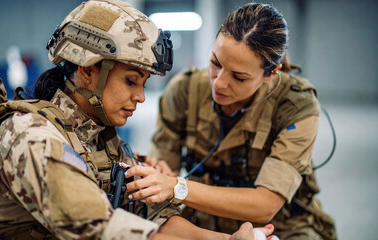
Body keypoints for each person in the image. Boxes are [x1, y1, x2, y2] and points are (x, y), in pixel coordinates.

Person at [0, 1, 277, 240]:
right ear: (87, 71)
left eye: (143, 84)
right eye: (130, 81)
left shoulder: (104, 141)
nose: (140, 96)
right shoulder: (32, 136)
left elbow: (156, 219)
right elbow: (102, 228)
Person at [124, 3, 337, 240]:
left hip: (281, 227)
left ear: (271, 73)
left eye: (239, 76)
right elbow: (165, 166)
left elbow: (266, 205)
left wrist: (176, 187)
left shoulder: (295, 105)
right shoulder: (185, 90)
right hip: (202, 220)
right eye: (215, 63)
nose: (218, 83)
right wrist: (160, 172)